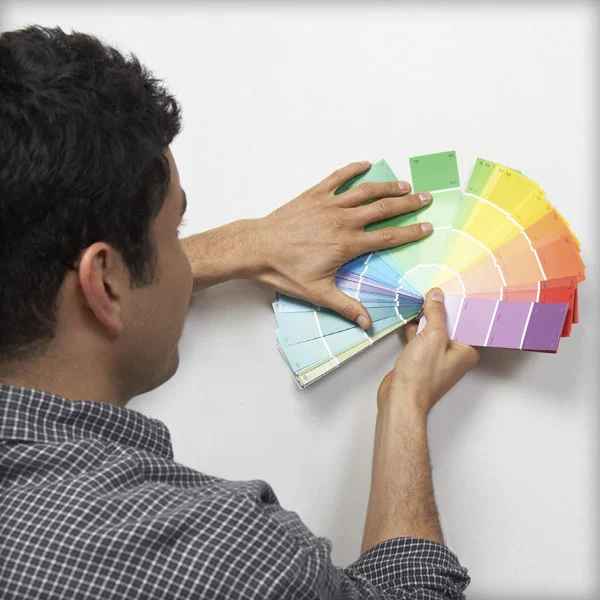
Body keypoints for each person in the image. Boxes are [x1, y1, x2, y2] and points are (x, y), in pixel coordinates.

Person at [0, 25, 480, 599]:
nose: (184, 259)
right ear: (104, 282)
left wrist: (243, 243)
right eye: (175, 232)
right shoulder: (218, 555)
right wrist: (406, 402)